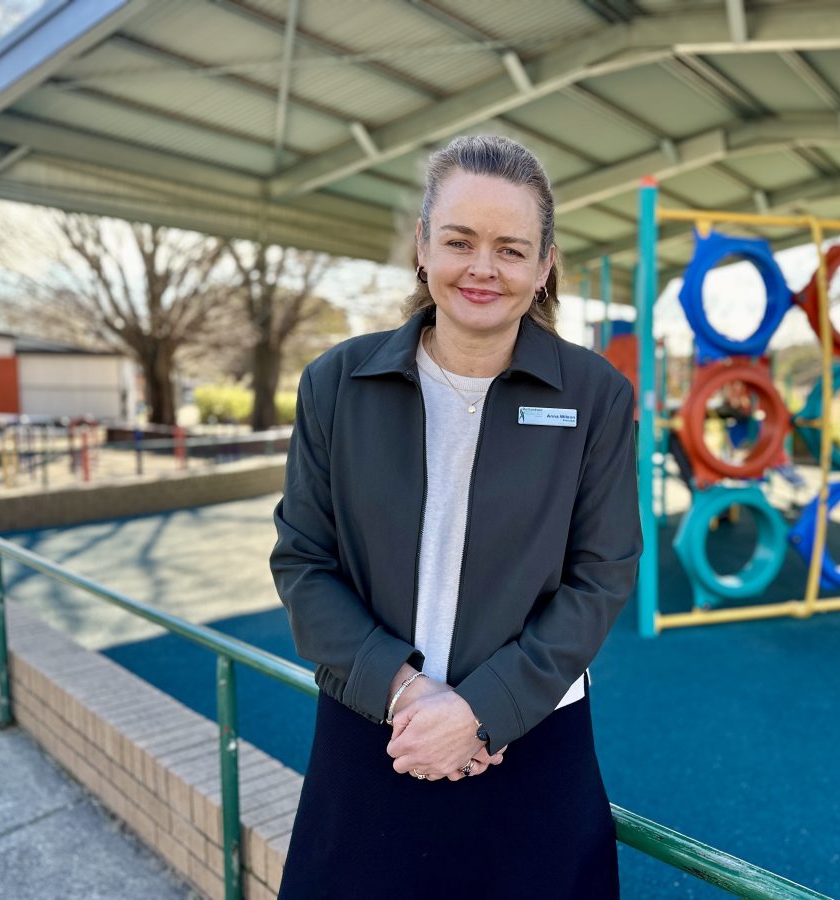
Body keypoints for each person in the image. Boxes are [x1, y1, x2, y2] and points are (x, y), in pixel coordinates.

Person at [270, 134, 643, 900]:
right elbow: (304, 564)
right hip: (377, 735)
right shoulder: (336, 383)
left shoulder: (596, 396)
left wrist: (481, 710)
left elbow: (601, 576)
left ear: (543, 267)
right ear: (422, 246)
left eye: (511, 249)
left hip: (531, 743)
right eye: (460, 241)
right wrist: (409, 696)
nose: (483, 268)